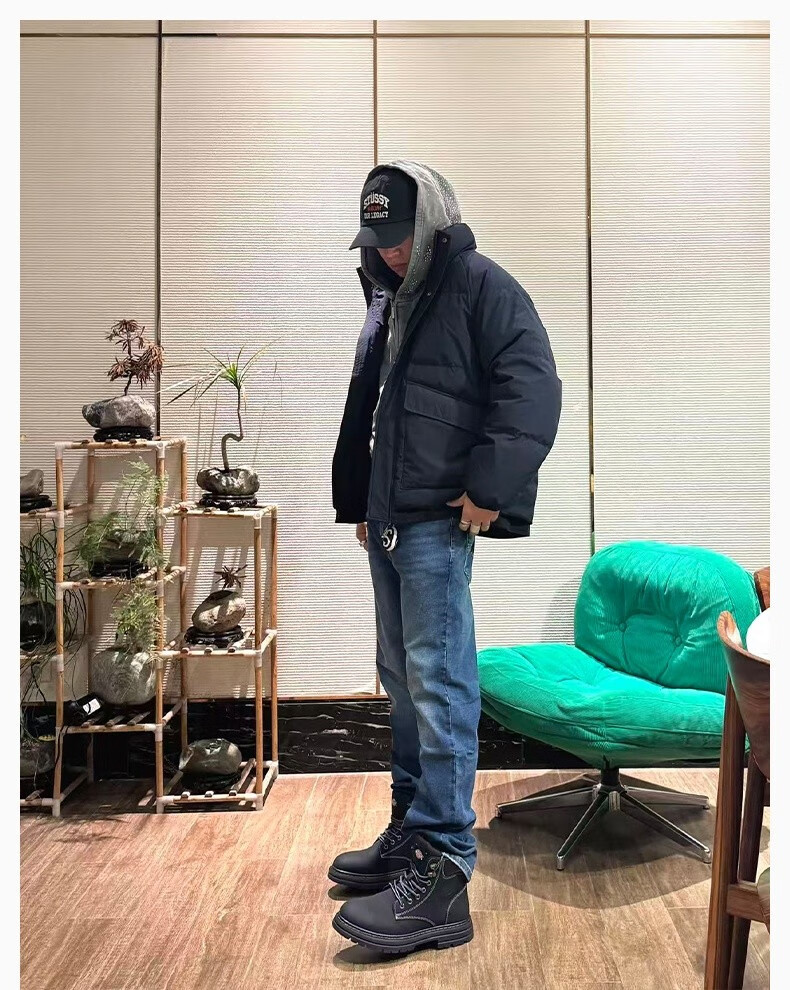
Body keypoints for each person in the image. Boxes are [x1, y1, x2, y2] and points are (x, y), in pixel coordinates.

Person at [329, 160, 562, 955]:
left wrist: (489, 488)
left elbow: (532, 390)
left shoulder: (481, 286)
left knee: (439, 683)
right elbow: (375, 408)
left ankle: (445, 869)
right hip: (391, 521)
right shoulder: (389, 297)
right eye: (379, 239)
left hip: (436, 523)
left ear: (433, 223)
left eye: (402, 236)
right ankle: (410, 831)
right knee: (400, 679)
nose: (390, 251)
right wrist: (363, 500)